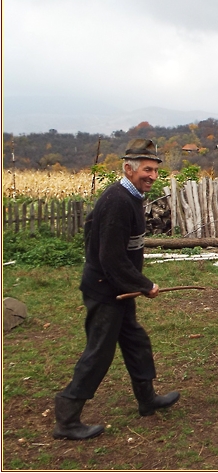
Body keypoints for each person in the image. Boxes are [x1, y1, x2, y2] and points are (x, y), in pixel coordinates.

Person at [53, 139, 179, 441]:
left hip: (118, 289)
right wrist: (143, 284)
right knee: (99, 352)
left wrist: (133, 284)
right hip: (106, 291)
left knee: (135, 341)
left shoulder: (131, 197)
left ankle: (147, 399)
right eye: (146, 170)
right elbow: (110, 256)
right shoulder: (117, 200)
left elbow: (103, 243)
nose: (152, 176)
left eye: (155, 170)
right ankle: (67, 418)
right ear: (128, 168)